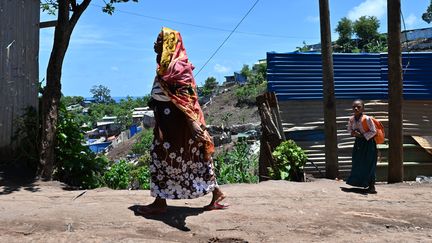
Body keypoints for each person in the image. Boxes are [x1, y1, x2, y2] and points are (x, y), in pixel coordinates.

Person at [138, 27, 228, 215]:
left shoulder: (178, 67)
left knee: (190, 158)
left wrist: (193, 123)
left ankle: (161, 202)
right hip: (166, 124)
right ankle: (213, 194)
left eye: (160, 40)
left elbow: (187, 98)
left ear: (170, 43)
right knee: (168, 158)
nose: (155, 44)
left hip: (181, 127)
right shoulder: (163, 66)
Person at [346, 99, 378, 194]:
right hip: (358, 144)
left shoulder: (367, 119)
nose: (356, 108)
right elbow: (349, 130)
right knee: (357, 162)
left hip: (369, 143)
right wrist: (353, 133)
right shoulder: (351, 119)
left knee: (369, 164)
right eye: (354, 107)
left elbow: (374, 131)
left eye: (358, 107)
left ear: (363, 108)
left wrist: (362, 135)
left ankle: (371, 186)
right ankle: (360, 184)